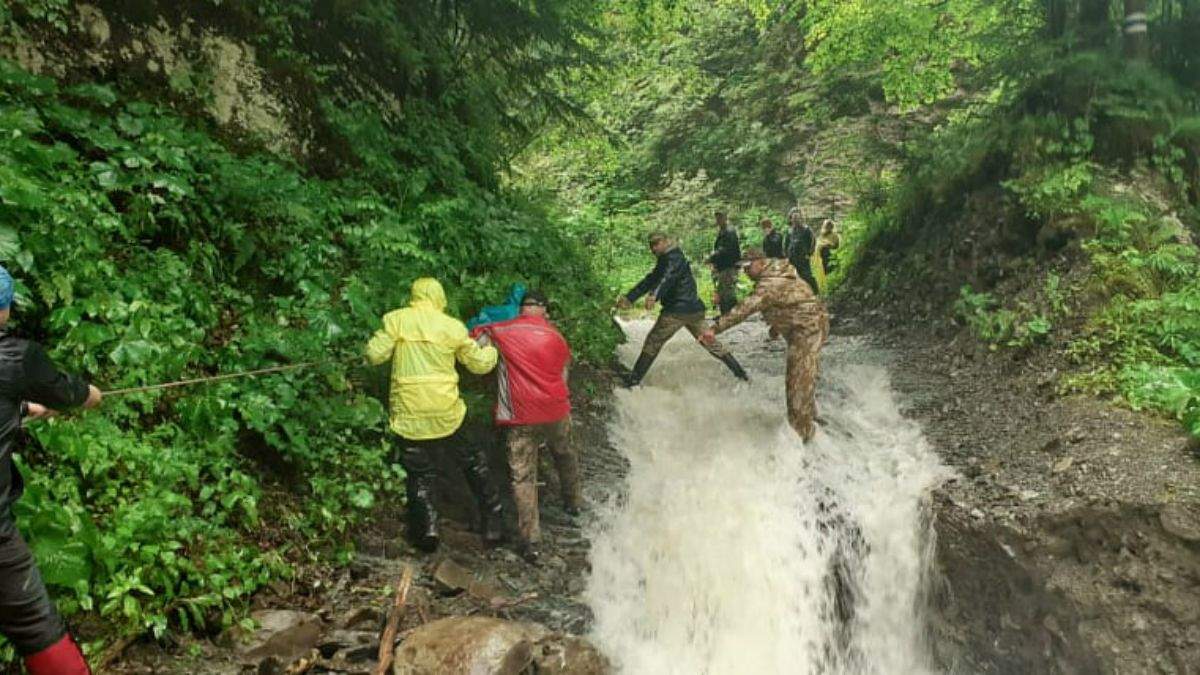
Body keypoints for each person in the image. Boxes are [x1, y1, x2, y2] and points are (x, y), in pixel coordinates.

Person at [0, 265, 102, 674]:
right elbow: (71, 394)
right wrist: (92, 395)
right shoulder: (19, 358)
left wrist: (22, 408)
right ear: (4, 309)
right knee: (34, 623)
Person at [366, 277, 502, 553]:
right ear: (440, 298)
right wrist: (490, 349)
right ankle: (494, 521)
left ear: (414, 296)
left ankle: (427, 529)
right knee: (473, 462)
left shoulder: (396, 320)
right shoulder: (452, 327)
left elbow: (374, 354)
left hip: (410, 411)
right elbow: (479, 365)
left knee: (420, 474)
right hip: (446, 410)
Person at [471, 290, 579, 564]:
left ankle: (531, 542)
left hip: (520, 415)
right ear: (543, 310)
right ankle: (573, 501)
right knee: (564, 453)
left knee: (523, 477)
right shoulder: (556, 337)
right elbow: (564, 372)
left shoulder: (501, 330)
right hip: (555, 409)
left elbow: (474, 339)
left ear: (521, 308)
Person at [700, 249, 829, 441]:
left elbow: (746, 308)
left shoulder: (770, 282)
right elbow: (792, 299)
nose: (745, 272)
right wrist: (777, 326)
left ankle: (802, 436)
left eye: (747, 267)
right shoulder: (778, 272)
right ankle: (812, 420)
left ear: (760, 262)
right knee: (804, 376)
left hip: (807, 330)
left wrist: (714, 329)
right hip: (808, 325)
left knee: (797, 383)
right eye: (742, 269)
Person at [618, 233, 749, 387]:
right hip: (693, 309)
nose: (653, 248)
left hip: (677, 311)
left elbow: (668, 277)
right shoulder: (668, 259)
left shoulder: (673, 257)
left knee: (653, 341)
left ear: (666, 242)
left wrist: (654, 295)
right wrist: (630, 297)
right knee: (711, 343)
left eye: (656, 244)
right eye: (651, 245)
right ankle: (742, 376)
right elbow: (651, 279)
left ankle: (633, 380)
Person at [706, 211, 741, 316]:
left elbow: (726, 249)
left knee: (727, 292)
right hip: (723, 267)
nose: (718, 221)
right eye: (717, 219)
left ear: (725, 218)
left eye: (720, 218)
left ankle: (731, 315)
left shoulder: (729, 232)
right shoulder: (723, 231)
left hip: (729, 266)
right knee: (722, 291)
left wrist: (712, 257)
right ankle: (726, 314)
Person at [785, 208, 819, 295]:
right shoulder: (790, 231)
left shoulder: (806, 230)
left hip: (803, 258)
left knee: (807, 276)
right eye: (793, 218)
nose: (795, 220)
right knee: (792, 278)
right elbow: (786, 244)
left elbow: (813, 242)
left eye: (797, 218)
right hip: (792, 258)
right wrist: (787, 255)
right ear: (791, 219)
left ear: (800, 218)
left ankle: (816, 292)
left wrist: (809, 253)